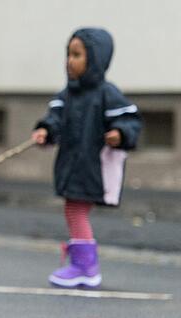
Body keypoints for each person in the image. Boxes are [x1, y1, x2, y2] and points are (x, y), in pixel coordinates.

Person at [32, 28, 142, 288]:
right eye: (68, 54)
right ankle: (82, 264)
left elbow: (130, 121)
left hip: (94, 165)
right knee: (73, 208)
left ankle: (85, 266)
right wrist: (45, 131)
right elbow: (54, 119)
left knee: (75, 209)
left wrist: (120, 133)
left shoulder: (107, 93)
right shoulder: (67, 94)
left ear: (95, 59)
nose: (70, 61)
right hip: (72, 164)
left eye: (77, 55)